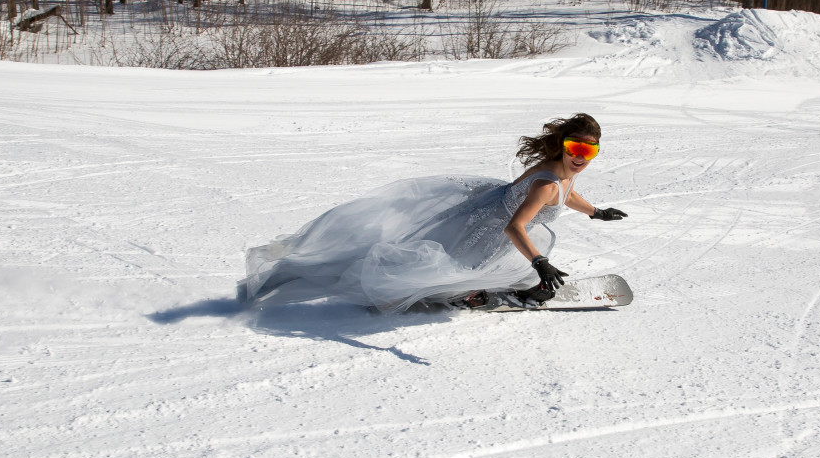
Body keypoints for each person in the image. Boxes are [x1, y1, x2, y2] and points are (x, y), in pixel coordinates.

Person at [237, 113, 627, 312]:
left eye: (589, 152)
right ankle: (465, 295)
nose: (580, 158)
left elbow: (566, 195)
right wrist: (540, 261)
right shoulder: (545, 182)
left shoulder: (559, 174)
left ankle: (491, 284)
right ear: (562, 145)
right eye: (575, 148)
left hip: (487, 214)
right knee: (450, 270)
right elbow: (516, 226)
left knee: (511, 266)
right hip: (489, 231)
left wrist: (596, 212)